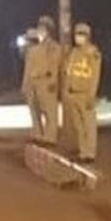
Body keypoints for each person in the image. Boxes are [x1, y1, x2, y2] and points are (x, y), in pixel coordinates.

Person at [62, 23, 102, 163]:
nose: (78, 37)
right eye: (77, 34)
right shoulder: (73, 53)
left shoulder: (93, 53)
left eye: (81, 34)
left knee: (88, 125)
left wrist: (92, 94)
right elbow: (68, 73)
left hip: (85, 93)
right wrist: (66, 90)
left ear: (88, 36)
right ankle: (83, 151)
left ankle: (90, 153)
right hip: (73, 93)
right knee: (78, 125)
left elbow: (95, 76)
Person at [22, 16, 63, 144]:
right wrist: (25, 84)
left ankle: (50, 137)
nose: (40, 30)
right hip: (32, 82)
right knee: (34, 110)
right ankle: (37, 134)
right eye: (40, 27)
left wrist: (53, 81)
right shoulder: (34, 48)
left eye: (43, 28)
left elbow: (55, 66)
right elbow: (28, 68)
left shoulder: (54, 47)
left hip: (45, 81)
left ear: (49, 30)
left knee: (49, 111)